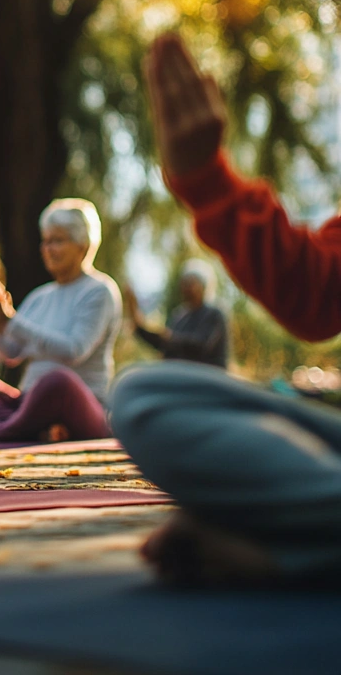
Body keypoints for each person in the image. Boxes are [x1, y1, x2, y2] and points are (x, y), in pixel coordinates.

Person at [111, 33, 341, 587]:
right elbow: (316, 294)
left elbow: (188, 348)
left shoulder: (206, 317)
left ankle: (301, 548)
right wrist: (208, 180)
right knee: (144, 396)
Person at [0, 199, 122, 443]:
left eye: (58, 241)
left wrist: (12, 322)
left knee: (56, 379)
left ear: (83, 246)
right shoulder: (41, 296)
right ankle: (28, 427)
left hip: (81, 406)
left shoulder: (99, 291)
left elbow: (74, 350)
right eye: (45, 241)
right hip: (28, 402)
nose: (48, 249)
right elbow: (9, 353)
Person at [125, 259, 230, 368]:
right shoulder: (180, 316)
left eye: (190, 283)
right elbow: (164, 344)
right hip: (179, 377)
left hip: (206, 378)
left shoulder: (214, 314)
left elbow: (201, 346)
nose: (185, 288)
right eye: (184, 283)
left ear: (203, 286)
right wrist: (138, 325)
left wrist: (169, 337)